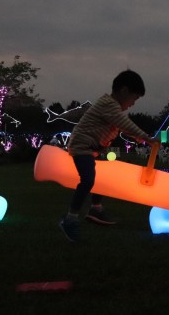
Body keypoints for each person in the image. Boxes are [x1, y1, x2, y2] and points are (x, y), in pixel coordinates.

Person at [59, 70, 159, 243]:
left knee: (102, 177)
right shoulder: (109, 105)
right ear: (124, 91)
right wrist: (146, 138)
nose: (133, 104)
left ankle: (96, 208)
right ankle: (70, 218)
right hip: (82, 146)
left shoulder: (111, 106)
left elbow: (123, 126)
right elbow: (125, 124)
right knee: (88, 180)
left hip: (91, 148)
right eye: (134, 99)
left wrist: (140, 138)